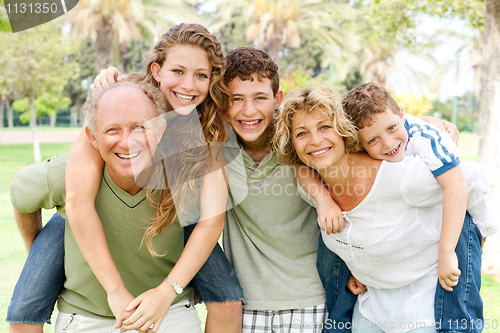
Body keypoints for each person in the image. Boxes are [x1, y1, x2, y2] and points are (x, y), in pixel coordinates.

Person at [6, 23, 244, 333]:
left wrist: (170, 288)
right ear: (157, 71)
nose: (189, 85)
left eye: (201, 75)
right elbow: (78, 203)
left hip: (174, 212)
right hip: (83, 207)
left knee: (226, 294)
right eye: (178, 71)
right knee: (29, 299)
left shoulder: (208, 126)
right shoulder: (117, 104)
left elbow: (211, 222)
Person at [273, 85, 493, 333]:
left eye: (324, 127)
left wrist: (477, 236)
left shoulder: (399, 177)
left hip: (423, 303)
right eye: (302, 134)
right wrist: (359, 267)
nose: (315, 140)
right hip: (373, 303)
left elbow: (471, 179)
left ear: (345, 129)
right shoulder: (311, 184)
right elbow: (297, 164)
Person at [341, 82, 496, 332]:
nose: (388, 143)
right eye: (374, 140)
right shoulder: (365, 151)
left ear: (402, 114)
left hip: (471, 210)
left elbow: (457, 188)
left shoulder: (427, 138)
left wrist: (447, 253)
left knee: (461, 261)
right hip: (416, 227)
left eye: (392, 128)